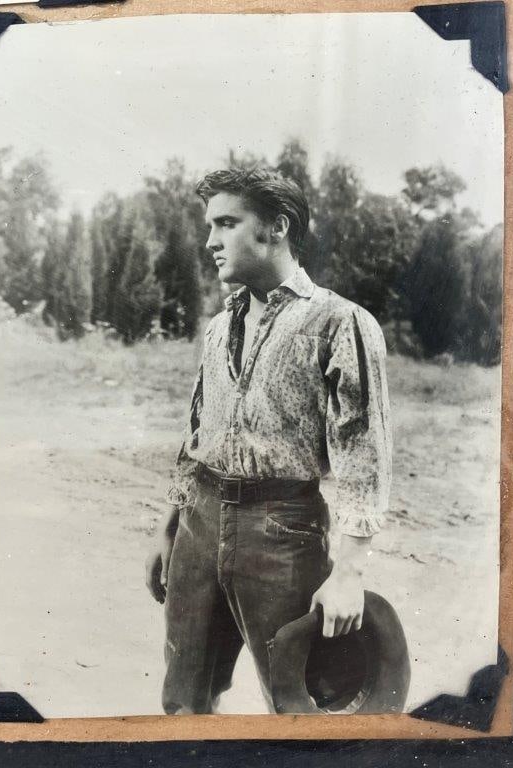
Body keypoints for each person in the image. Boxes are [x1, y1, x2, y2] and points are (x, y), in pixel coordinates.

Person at [145, 168, 392, 714]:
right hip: (198, 526)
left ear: (276, 227)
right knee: (185, 702)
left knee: (303, 706)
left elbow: (363, 460)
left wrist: (348, 574)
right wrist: (171, 528)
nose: (210, 241)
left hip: (282, 530)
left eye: (226, 224)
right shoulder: (218, 326)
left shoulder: (339, 322)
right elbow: (196, 436)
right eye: (210, 225)